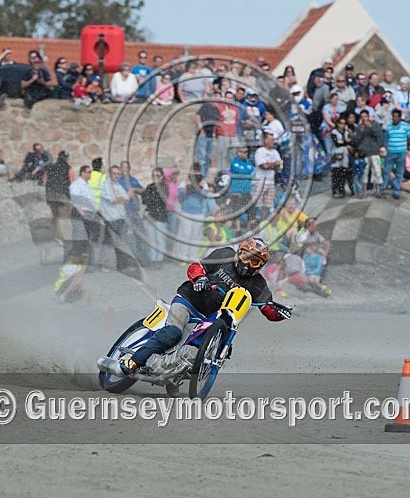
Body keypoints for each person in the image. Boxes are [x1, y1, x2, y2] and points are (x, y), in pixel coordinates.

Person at [98, 237, 291, 376]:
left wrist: (280, 313)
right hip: (188, 300)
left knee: (207, 348)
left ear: (261, 266)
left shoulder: (258, 284)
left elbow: (268, 309)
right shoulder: (224, 255)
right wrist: (199, 278)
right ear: (239, 252)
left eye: (255, 261)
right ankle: (131, 363)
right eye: (246, 256)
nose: (248, 264)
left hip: (209, 319)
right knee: (172, 333)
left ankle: (175, 373)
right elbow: (196, 267)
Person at [381, 110, 410, 199]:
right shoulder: (388, 127)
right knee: (386, 171)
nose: (394, 118)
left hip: (401, 152)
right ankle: (382, 189)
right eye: (393, 116)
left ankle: (396, 190)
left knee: (399, 173)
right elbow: (386, 139)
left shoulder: (406, 126)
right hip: (391, 152)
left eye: (396, 116)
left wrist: (404, 146)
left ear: (399, 117)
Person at [141, 168, 169, 268]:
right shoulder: (149, 187)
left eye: (158, 176)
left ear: (162, 177)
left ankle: (159, 260)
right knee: (152, 240)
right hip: (150, 217)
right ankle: (153, 260)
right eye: (154, 176)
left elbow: (162, 200)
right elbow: (145, 201)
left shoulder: (164, 187)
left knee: (160, 240)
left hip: (160, 217)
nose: (156, 178)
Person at [253, 132, 281, 219]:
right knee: (256, 204)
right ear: (265, 140)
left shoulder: (275, 152)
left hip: (271, 182)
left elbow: (280, 166)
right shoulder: (260, 151)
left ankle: (262, 223)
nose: (273, 141)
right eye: (271, 140)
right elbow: (263, 166)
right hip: (260, 181)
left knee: (267, 205)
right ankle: (252, 221)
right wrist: (274, 164)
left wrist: (270, 165)